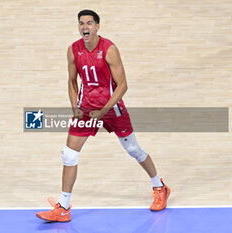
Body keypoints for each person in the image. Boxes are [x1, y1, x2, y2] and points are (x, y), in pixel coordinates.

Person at [36, 9, 170, 222]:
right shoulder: (73, 50)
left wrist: (105, 110)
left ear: (98, 26)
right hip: (87, 108)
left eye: (89, 23)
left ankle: (160, 186)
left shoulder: (109, 49)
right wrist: (75, 107)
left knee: (133, 149)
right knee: (69, 154)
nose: (85, 27)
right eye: (81, 23)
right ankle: (63, 207)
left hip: (112, 108)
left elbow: (123, 85)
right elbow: (72, 82)